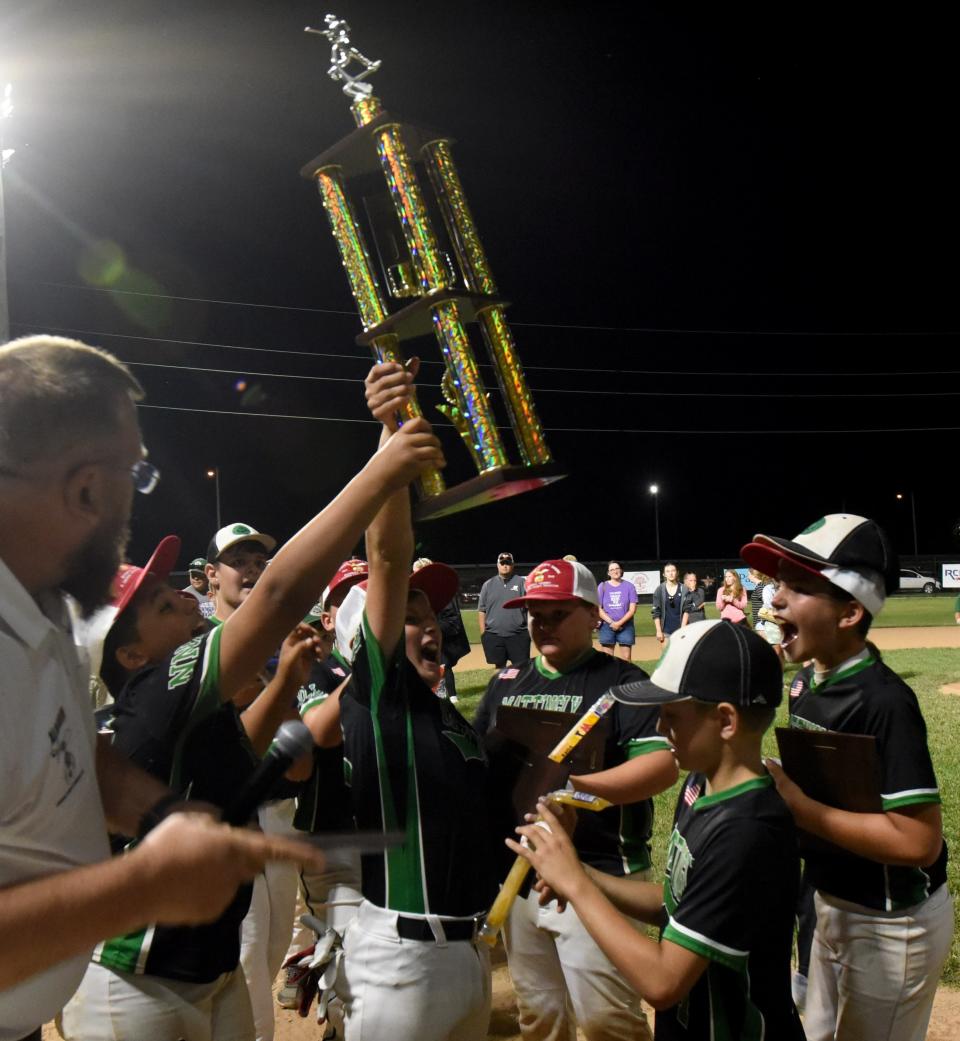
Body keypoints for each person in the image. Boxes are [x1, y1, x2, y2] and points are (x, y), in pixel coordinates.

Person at [0, 335, 328, 1041]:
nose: (133, 498)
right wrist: (141, 886)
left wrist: (160, 814)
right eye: (135, 473)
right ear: (86, 484)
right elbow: (276, 596)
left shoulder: (42, 602)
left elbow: (76, 748)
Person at [301, 360, 496, 1041]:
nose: (433, 623)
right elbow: (386, 555)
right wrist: (390, 435)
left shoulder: (446, 717)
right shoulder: (378, 696)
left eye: (432, 609)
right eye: (412, 612)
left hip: (468, 957)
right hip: (400, 962)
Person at [510, 620, 805, 1041]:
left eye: (670, 716)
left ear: (725, 720)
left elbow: (663, 983)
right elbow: (676, 904)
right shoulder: (700, 785)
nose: (661, 730)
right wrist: (579, 871)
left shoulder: (746, 829)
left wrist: (576, 885)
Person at [742, 513, 953, 1041]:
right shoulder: (806, 686)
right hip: (830, 901)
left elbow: (919, 841)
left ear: (850, 612)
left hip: (889, 920)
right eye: (779, 584)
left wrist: (801, 809)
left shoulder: (884, 701)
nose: (776, 600)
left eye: (800, 587)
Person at [474, 557, 678, 1041]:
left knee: (607, 1019)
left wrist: (578, 788)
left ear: (592, 615)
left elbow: (661, 765)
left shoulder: (626, 684)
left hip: (601, 870)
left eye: (557, 613)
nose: (542, 624)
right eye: (535, 614)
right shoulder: (506, 684)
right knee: (539, 1013)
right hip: (520, 874)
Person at [413, 556, 470, 702]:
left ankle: (451, 696)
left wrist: (430, 630)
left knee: (443, 664)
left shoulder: (442, 592)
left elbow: (453, 621)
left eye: (417, 573)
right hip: (424, 641)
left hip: (444, 638)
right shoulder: (416, 594)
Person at [478, 552, 530, 667]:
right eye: (502, 563)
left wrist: (529, 632)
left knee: (521, 670)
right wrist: (484, 634)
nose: (505, 565)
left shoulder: (522, 583)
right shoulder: (488, 585)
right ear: (497, 565)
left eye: (508, 563)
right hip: (494, 636)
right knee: (499, 668)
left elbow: (530, 609)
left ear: (513, 565)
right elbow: (482, 610)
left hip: (519, 636)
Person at [597, 561, 638, 660]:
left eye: (617, 568)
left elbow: (632, 610)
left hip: (625, 626)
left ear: (621, 570)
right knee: (607, 660)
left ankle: (626, 676)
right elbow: (598, 608)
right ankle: (610, 676)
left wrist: (619, 623)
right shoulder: (602, 586)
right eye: (612, 569)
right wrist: (612, 623)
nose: (615, 571)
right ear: (608, 573)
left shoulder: (630, 586)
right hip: (607, 626)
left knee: (626, 658)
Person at [651, 562, 683, 643]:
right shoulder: (659, 589)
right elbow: (656, 612)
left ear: (677, 572)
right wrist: (658, 631)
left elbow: (687, 611)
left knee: (681, 655)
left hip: (682, 629)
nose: (671, 573)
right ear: (664, 574)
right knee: (667, 655)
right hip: (665, 630)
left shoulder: (683, 588)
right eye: (668, 571)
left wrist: (684, 628)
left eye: (673, 570)